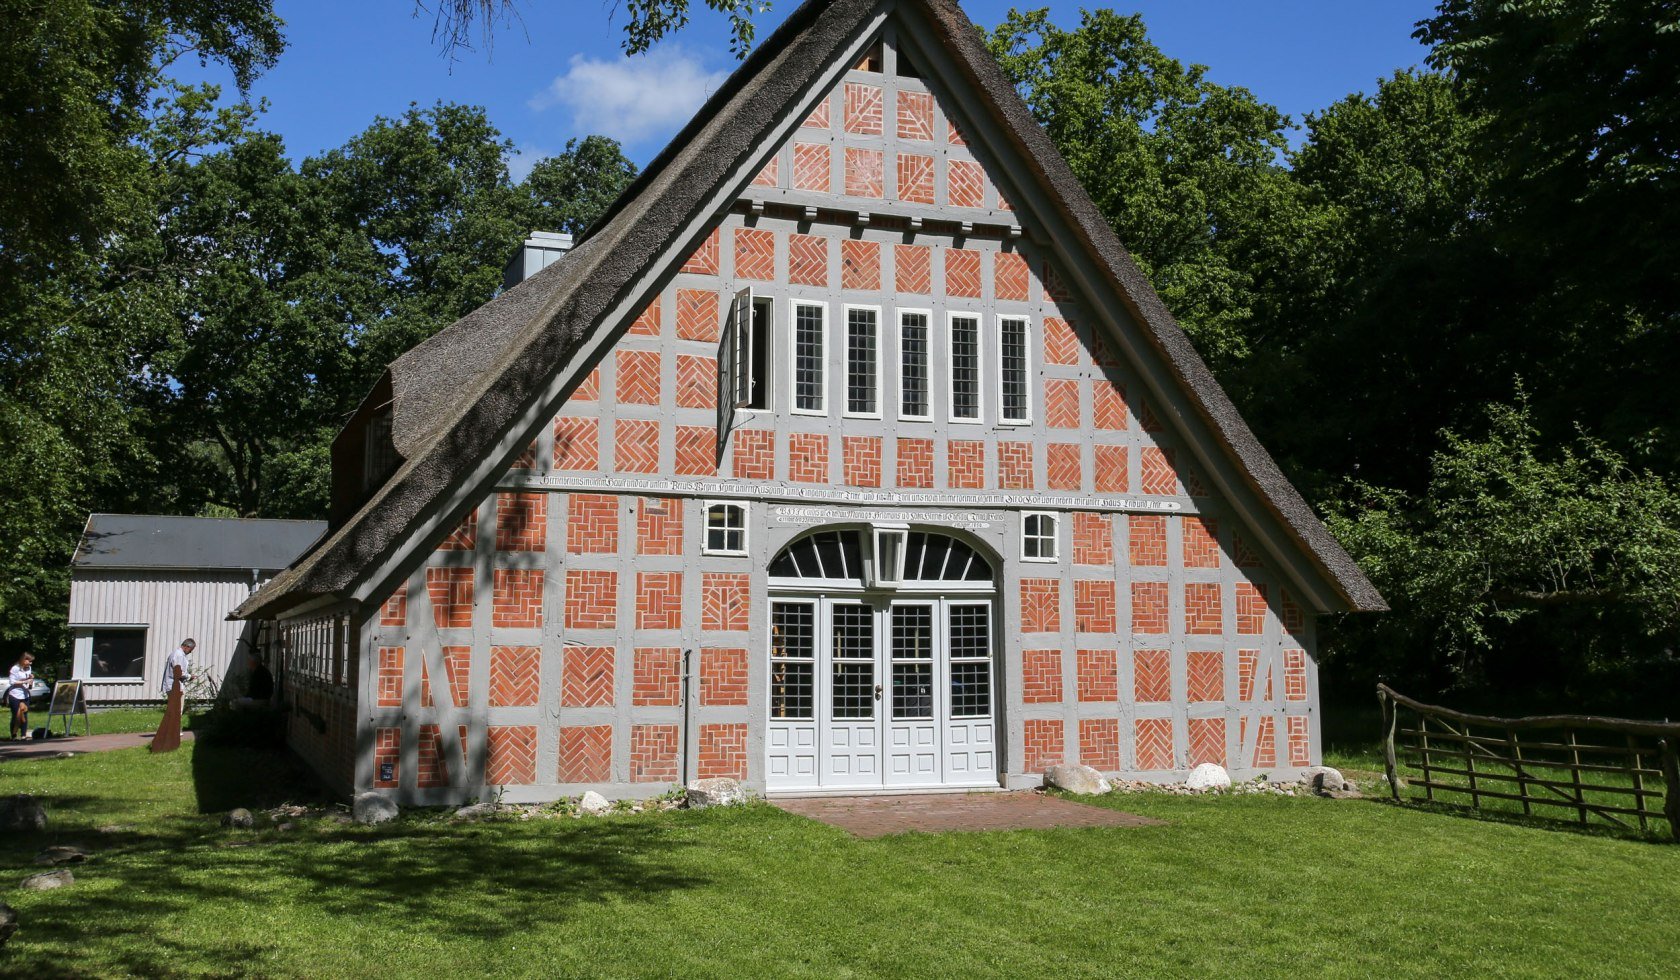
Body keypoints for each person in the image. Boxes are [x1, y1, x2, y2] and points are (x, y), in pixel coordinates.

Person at [150, 638, 193, 754]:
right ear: (187, 647)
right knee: (177, 709)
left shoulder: (177, 654)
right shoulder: (178, 655)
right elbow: (178, 671)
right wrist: (190, 676)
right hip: (175, 687)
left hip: (175, 686)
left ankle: (175, 730)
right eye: (191, 649)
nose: (191, 652)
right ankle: (174, 731)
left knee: (176, 709)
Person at [5, 652, 34, 740]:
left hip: (25, 694)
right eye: (29, 661)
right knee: (16, 715)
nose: (30, 663)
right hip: (15, 694)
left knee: (24, 714)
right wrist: (24, 682)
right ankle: (13, 734)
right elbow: (12, 681)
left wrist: (30, 679)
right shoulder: (15, 668)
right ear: (24, 660)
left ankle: (23, 735)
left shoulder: (29, 668)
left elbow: (28, 678)